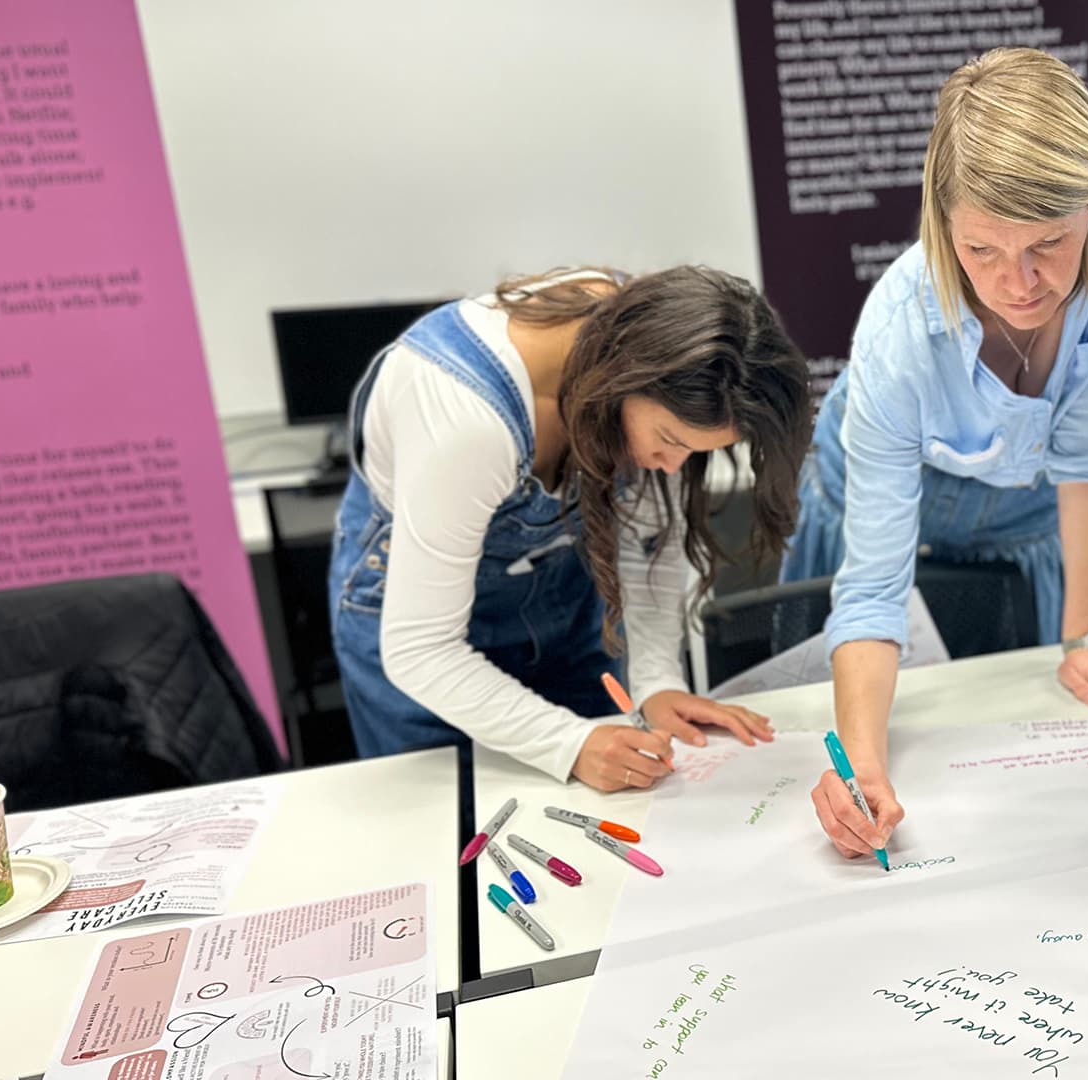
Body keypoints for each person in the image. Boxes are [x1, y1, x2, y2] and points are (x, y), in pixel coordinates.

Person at [787, 47, 1088, 860]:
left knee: (1026, 700)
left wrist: (1087, 631)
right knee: (834, 700)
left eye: (1047, 245)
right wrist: (861, 768)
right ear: (940, 223)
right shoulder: (898, 339)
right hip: (887, 484)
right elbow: (874, 590)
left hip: (1038, 499)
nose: (1018, 284)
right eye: (981, 251)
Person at [328, 266, 812, 791]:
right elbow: (421, 648)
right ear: (622, 380)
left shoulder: (671, 353)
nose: (672, 467)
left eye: (694, 454)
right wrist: (568, 743)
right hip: (420, 641)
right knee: (447, 840)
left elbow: (647, 546)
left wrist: (657, 684)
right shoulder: (464, 420)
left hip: (562, 607)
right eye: (669, 441)